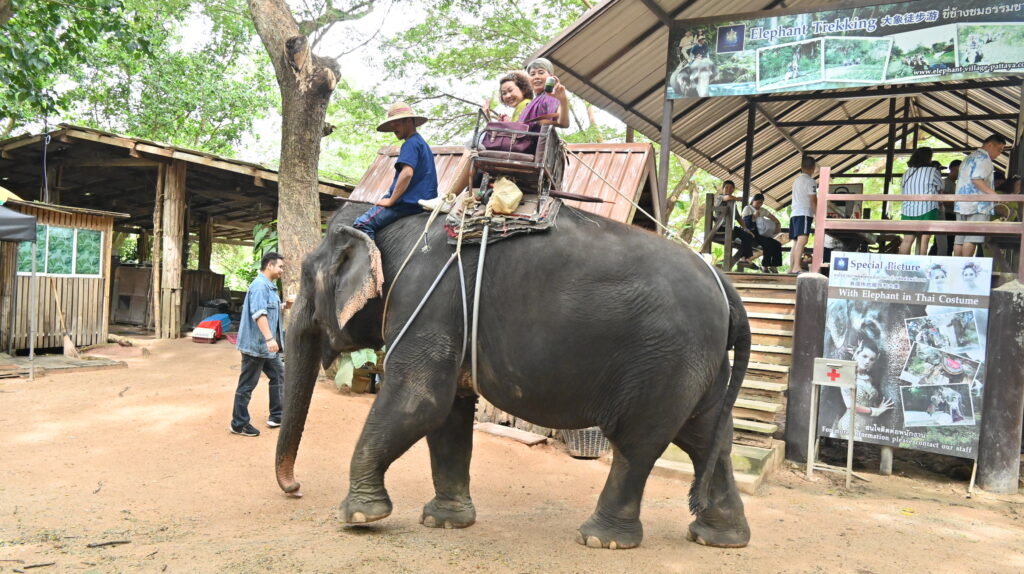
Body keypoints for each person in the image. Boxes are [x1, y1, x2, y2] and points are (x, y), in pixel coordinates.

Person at [354, 102, 438, 240]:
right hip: (424, 202)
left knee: (361, 224)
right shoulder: (422, 144)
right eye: (391, 124)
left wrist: (391, 200)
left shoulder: (410, 144)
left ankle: (372, 255)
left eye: (396, 123)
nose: (393, 127)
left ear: (409, 121)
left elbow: (407, 173)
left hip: (407, 204)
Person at [230, 252, 286, 437]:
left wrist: (283, 306)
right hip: (256, 346)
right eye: (280, 267)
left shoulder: (268, 286)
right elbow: (259, 313)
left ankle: (277, 416)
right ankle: (239, 424)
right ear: (269, 265)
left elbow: (267, 308)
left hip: (266, 347)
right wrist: (270, 338)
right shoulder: (260, 286)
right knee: (247, 385)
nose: (282, 270)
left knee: (279, 375)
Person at [954, 133, 1007, 257]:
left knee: (960, 239)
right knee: (972, 238)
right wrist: (995, 196)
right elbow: (977, 179)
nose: (999, 154)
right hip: (978, 205)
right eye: (999, 150)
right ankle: (965, 265)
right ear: (990, 145)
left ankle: (956, 265)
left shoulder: (969, 158)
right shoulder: (984, 159)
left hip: (961, 203)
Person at [834, 338, 893, 436]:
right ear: (856, 354)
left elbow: (868, 400)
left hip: (867, 426)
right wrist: (875, 411)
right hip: (850, 426)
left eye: (871, 359)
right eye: (864, 356)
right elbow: (850, 404)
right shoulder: (846, 375)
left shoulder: (869, 378)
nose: (867, 361)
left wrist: (878, 407)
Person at [898, 147, 943, 255]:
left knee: (907, 239)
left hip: (907, 209)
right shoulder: (932, 171)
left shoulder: (907, 173)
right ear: (928, 158)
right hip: (927, 208)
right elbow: (941, 187)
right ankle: (922, 262)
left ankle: (902, 263)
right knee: (924, 238)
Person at [711, 181, 756, 270]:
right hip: (720, 227)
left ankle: (744, 258)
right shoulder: (720, 197)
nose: (729, 189)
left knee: (748, 236)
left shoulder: (733, 203)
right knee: (744, 236)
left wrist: (746, 229)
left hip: (731, 228)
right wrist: (737, 198)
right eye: (726, 187)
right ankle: (745, 258)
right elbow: (727, 197)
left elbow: (738, 218)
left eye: (731, 188)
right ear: (723, 189)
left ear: (733, 189)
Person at [519, 58, 570, 128]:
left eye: (541, 73)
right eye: (532, 74)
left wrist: (563, 100)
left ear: (551, 77)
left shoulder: (553, 95)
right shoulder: (531, 103)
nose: (536, 77)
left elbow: (564, 123)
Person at [789, 155, 817, 273]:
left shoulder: (796, 181)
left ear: (801, 167)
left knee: (796, 242)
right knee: (802, 240)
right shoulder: (810, 181)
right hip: (804, 213)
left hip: (794, 213)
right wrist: (817, 215)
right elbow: (813, 200)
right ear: (814, 168)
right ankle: (796, 267)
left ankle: (791, 268)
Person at [741, 193, 783, 273]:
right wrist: (753, 216)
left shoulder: (762, 210)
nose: (759, 205)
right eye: (758, 202)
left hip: (760, 233)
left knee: (777, 244)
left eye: (761, 203)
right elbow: (743, 223)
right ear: (753, 201)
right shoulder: (748, 208)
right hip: (750, 233)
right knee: (767, 243)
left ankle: (774, 265)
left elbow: (774, 219)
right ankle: (765, 266)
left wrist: (778, 225)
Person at [931, 159, 960, 256]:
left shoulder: (954, 184)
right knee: (942, 243)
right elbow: (943, 199)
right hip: (947, 215)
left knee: (949, 243)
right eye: (958, 170)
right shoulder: (946, 182)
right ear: (952, 169)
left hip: (951, 215)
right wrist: (958, 205)